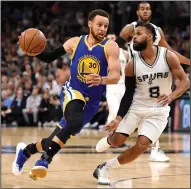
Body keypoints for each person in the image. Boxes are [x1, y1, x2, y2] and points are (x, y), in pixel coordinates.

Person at [12, 9, 121, 180]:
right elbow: (49, 57)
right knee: (75, 122)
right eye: (99, 25)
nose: (102, 29)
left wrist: (101, 79)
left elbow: (115, 76)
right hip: (73, 91)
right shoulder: (75, 42)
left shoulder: (110, 46)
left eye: (106, 26)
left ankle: (26, 151)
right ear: (90, 24)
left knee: (56, 138)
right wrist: (31, 50)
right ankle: (44, 161)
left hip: (92, 101)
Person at [93, 22, 190, 185]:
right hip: (137, 107)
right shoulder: (132, 64)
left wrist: (172, 96)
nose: (134, 38)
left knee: (142, 145)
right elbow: (128, 94)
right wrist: (117, 119)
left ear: (150, 37)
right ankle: (111, 140)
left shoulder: (167, 56)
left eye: (138, 34)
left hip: (159, 110)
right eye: (133, 35)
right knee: (118, 141)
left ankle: (105, 167)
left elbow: (185, 81)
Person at [106, 33, 129, 124]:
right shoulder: (104, 53)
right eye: (109, 38)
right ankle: (110, 133)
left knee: (122, 113)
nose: (112, 39)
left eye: (113, 38)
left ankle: (114, 133)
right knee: (114, 111)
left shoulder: (125, 53)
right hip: (111, 86)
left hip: (123, 85)